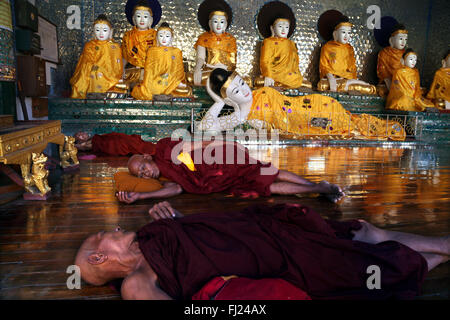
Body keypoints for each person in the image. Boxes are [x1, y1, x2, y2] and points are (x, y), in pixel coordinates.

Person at [75, 201, 449, 300]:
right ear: (98, 258)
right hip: (277, 258)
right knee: (373, 267)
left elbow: (200, 236)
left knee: (361, 231)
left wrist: (178, 219)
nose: (116, 228)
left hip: (263, 228)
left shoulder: (150, 236)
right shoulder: (135, 282)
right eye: (103, 234)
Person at [195, 68, 406, 141]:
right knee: (345, 126)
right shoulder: (240, 116)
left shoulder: (259, 91)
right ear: (230, 99)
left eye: (241, 82)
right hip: (305, 121)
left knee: (343, 117)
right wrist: (217, 100)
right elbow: (202, 128)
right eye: (237, 91)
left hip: (312, 103)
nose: (244, 89)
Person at [116, 137, 345, 203]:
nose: (145, 174)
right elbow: (175, 190)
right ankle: (318, 187)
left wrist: (227, 145)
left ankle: (317, 187)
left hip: (220, 161)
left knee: (266, 173)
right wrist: (141, 196)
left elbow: (197, 145)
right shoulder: (164, 178)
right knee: (266, 185)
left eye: (143, 168)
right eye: (140, 175)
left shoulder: (164, 148)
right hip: (219, 182)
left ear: (147, 157)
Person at [253, 1, 312, 90]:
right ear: (272, 28)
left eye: (287, 27)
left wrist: (298, 76)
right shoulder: (268, 41)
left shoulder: (291, 43)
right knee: (258, 82)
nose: (284, 29)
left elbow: (295, 63)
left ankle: (288, 84)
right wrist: (268, 75)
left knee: (308, 85)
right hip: (274, 75)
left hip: (291, 76)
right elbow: (265, 61)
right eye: (280, 26)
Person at [317, 11, 377, 95]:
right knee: (322, 86)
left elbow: (352, 68)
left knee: (370, 89)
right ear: (335, 34)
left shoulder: (349, 48)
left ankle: (349, 84)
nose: (346, 36)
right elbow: (324, 67)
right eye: (343, 32)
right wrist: (331, 78)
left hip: (347, 78)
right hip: (332, 80)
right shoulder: (328, 47)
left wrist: (352, 80)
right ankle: (348, 85)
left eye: (349, 33)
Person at [131, 22, 192, 100]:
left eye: (167, 36)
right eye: (161, 36)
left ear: (172, 38)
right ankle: (164, 95)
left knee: (186, 90)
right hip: (155, 79)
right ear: (156, 38)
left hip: (172, 80)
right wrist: (148, 82)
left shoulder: (176, 51)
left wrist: (176, 81)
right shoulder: (152, 51)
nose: (163, 39)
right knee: (143, 88)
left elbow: (178, 71)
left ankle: (159, 95)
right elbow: (149, 70)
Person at [70, 15, 124, 99]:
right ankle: (91, 93)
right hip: (92, 72)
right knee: (93, 73)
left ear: (110, 32)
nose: (101, 33)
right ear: (94, 32)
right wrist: (96, 67)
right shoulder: (89, 45)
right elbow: (85, 62)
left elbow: (118, 66)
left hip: (110, 74)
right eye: (97, 30)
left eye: (105, 30)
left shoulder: (115, 47)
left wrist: (104, 69)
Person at [186, 0, 237, 86]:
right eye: (215, 21)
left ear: (225, 25)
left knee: (244, 80)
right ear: (210, 23)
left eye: (221, 22)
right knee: (190, 78)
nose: (218, 25)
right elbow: (200, 58)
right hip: (209, 72)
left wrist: (224, 67)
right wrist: (198, 69)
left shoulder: (231, 39)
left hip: (225, 73)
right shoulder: (203, 37)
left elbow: (233, 62)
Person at [122, 0, 162, 86]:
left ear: (150, 20)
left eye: (146, 16)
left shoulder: (156, 35)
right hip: (133, 71)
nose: (142, 20)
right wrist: (121, 69)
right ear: (134, 19)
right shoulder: (128, 36)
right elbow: (124, 56)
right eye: (139, 16)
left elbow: (160, 57)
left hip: (151, 70)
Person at [376, 23, 408, 97]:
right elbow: (381, 71)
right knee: (380, 90)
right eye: (400, 39)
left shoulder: (406, 54)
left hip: (403, 83)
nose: (403, 42)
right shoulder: (384, 53)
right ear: (392, 40)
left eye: (405, 39)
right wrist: (389, 83)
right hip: (388, 84)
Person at [74, 132, 156, 156]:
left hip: (120, 139)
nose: (82, 134)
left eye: (81, 133)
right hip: (118, 144)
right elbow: (80, 147)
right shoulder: (89, 144)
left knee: (135, 142)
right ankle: (154, 150)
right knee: (136, 146)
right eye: (79, 136)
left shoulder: (94, 137)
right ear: (80, 141)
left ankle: (154, 148)